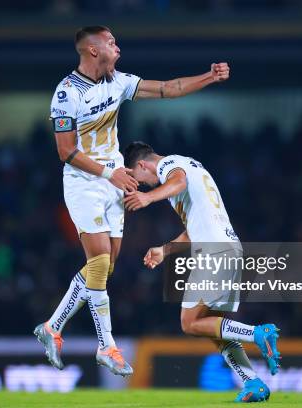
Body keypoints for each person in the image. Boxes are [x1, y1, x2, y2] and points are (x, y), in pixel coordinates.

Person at [34, 25, 231, 377]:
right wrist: (109, 174)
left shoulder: (118, 82)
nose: (118, 48)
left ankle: (51, 327)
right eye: (112, 43)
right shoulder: (66, 94)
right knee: (98, 263)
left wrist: (209, 77)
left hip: (116, 181)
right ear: (93, 50)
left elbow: (169, 89)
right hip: (86, 183)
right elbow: (65, 151)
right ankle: (106, 346)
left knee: (105, 270)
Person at [122, 141, 281, 402]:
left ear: (142, 165)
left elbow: (179, 181)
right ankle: (253, 383)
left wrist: (148, 198)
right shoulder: (190, 165)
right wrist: (165, 250)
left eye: (137, 179)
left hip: (214, 251)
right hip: (229, 248)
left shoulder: (171, 166)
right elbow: (193, 228)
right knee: (213, 327)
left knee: (189, 322)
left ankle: (257, 334)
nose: (141, 186)